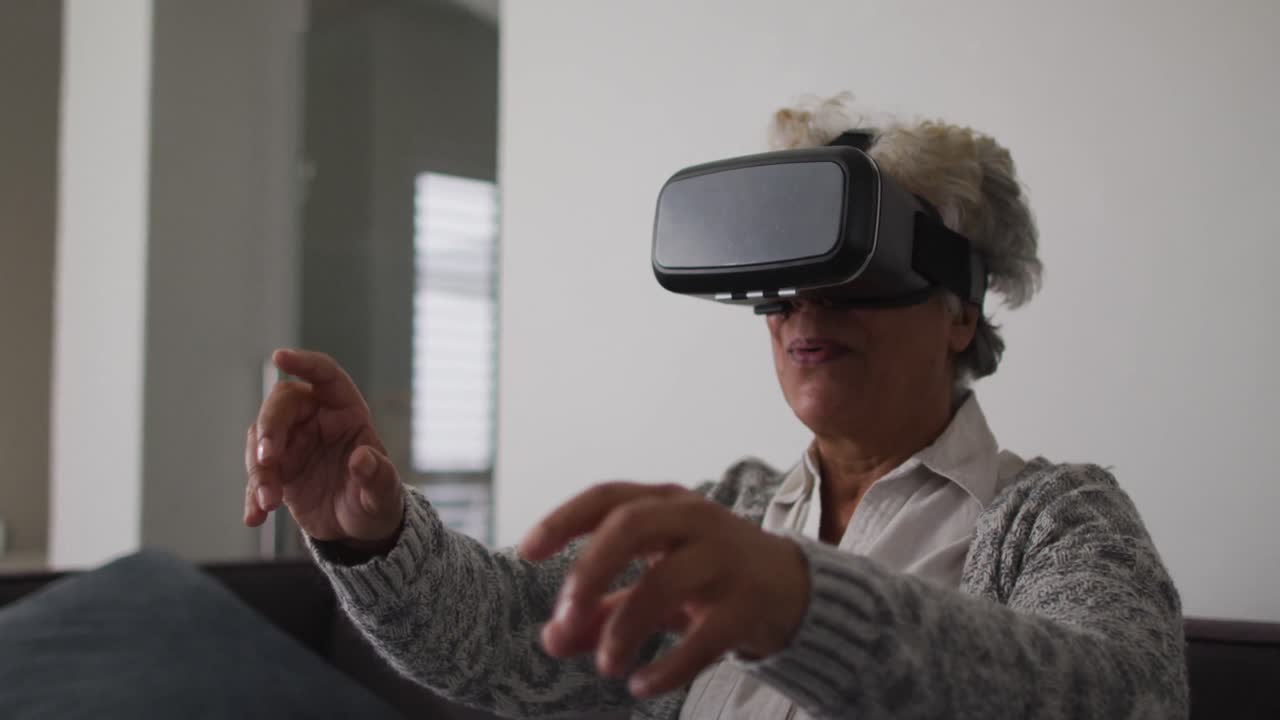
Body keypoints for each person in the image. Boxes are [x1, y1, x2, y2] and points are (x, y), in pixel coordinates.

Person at [243, 95, 1188, 719]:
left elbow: (1119, 697)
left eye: (849, 272)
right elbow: (514, 638)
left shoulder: (1057, 519)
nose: (803, 311)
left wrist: (804, 607)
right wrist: (368, 537)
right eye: (778, 285)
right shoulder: (732, 512)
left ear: (958, 311)